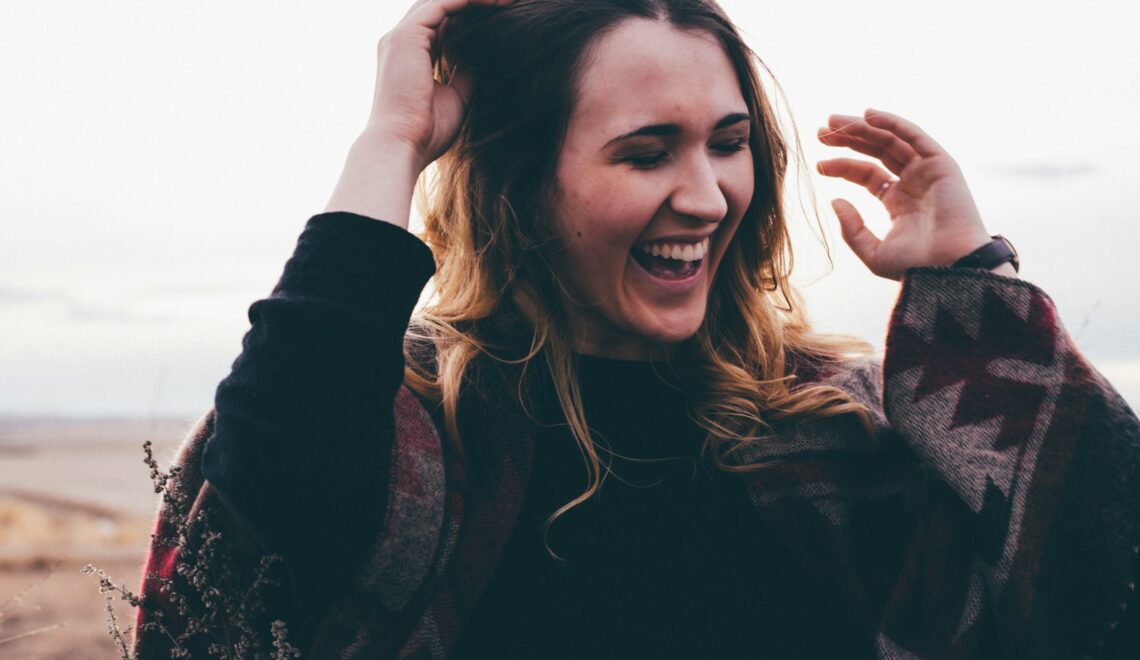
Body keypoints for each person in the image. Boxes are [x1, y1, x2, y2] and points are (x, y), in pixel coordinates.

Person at [133, 0, 1140, 657]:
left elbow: (1098, 576)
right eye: (647, 153)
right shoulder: (416, 431)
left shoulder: (837, 429)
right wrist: (391, 141)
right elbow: (241, 552)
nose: (707, 197)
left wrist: (970, 295)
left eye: (730, 143)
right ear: (523, 186)